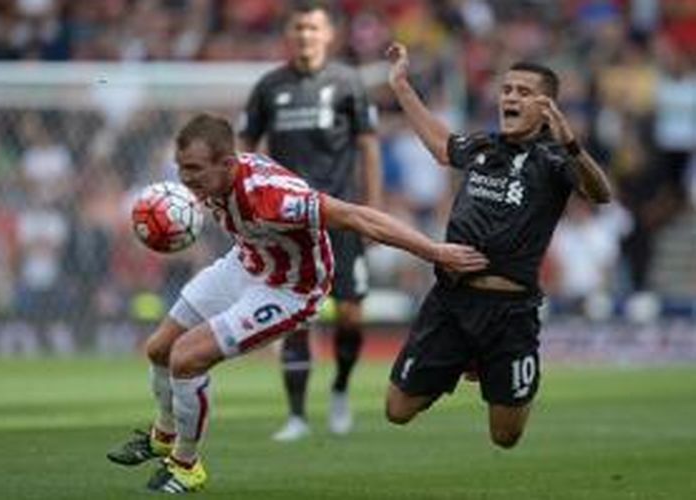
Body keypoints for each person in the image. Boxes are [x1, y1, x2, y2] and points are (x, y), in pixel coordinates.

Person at [106, 112, 488, 493]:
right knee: (159, 349)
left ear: (226, 163)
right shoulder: (209, 182)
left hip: (290, 289)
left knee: (186, 357)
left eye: (193, 169)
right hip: (246, 263)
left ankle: (187, 466)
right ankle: (163, 435)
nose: (185, 179)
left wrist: (434, 251)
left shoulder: (274, 198)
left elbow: (359, 218)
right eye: (181, 169)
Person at [384, 43, 612, 448]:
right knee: (396, 410)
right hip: (451, 303)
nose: (510, 97)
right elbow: (441, 145)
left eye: (524, 92)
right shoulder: (484, 146)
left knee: (505, 436)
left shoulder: (554, 159)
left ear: (548, 108)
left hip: (510, 314)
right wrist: (402, 88)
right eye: (507, 89)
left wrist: (573, 145)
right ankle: (461, 359)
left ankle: (490, 364)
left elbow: (600, 194)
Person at [238, 0, 382, 440]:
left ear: (329, 34)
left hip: (340, 215)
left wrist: (371, 208)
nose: (306, 35)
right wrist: (252, 201)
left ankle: (339, 387)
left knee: (351, 316)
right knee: (295, 319)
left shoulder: (347, 82)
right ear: (289, 33)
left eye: (314, 28)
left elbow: (368, 146)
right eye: (299, 27)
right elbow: (245, 145)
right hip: (289, 221)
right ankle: (297, 415)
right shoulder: (268, 86)